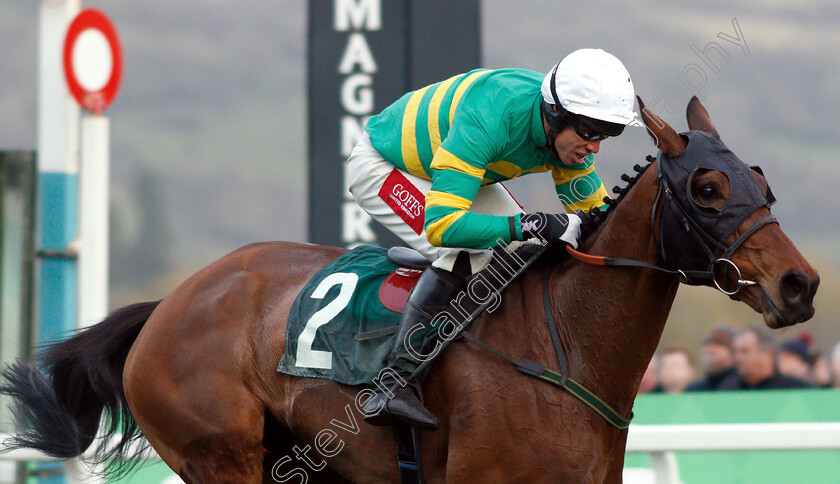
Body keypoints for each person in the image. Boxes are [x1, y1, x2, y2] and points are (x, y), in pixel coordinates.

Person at [346, 49, 637, 429]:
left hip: (451, 172)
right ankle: (393, 382)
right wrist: (531, 223)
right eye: (589, 132)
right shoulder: (492, 115)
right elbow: (444, 227)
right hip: (385, 164)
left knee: (523, 254)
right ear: (555, 114)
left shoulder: (570, 136)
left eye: (607, 134)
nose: (595, 146)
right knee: (467, 253)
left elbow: (596, 218)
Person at [718, 326, 813, 390]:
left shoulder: (796, 390)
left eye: (745, 351)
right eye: (735, 352)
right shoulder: (727, 390)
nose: (738, 358)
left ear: (767, 354)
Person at [686, 324, 737, 391]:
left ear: (733, 351)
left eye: (718, 342)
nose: (710, 348)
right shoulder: (695, 389)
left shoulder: (743, 385)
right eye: (707, 342)